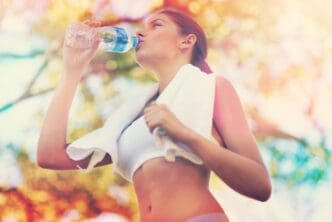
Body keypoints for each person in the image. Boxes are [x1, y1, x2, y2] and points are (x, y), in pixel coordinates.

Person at [37, 8, 272, 222]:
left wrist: (184, 133)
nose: (140, 33)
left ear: (186, 41)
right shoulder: (133, 115)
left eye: (156, 25)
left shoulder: (213, 88)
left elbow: (259, 185)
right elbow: (50, 155)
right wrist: (71, 70)